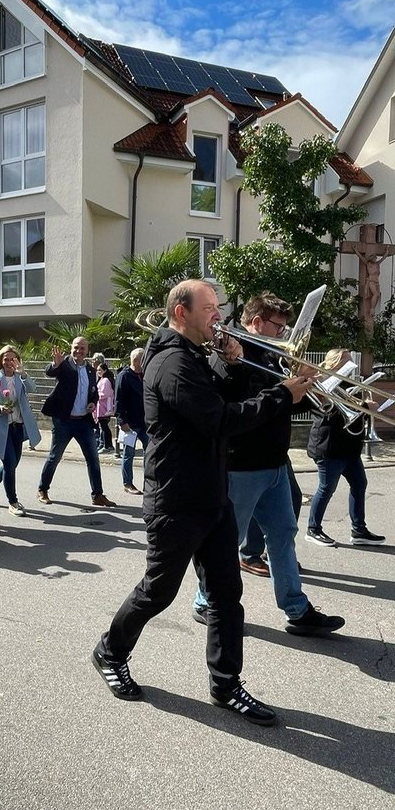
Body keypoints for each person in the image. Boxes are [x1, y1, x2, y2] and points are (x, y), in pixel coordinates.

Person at [92, 279, 316, 725]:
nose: (219, 316)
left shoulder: (195, 355)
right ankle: (109, 652)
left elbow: (227, 397)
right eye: (210, 308)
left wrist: (235, 366)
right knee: (158, 591)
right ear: (181, 313)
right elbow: (219, 420)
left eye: (219, 308)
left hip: (212, 495)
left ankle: (226, 684)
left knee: (227, 595)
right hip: (176, 498)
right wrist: (280, 394)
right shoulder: (172, 362)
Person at [192, 292, 345, 636]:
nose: (284, 334)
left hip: (275, 462)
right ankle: (204, 601)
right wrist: (282, 387)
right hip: (242, 465)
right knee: (227, 543)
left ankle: (296, 608)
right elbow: (239, 406)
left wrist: (305, 388)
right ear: (257, 321)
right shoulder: (227, 350)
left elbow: (283, 406)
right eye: (279, 326)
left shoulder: (273, 355)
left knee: (283, 537)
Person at [307, 348, 385, 547]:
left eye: (351, 363)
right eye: (347, 363)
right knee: (326, 488)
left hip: (349, 448)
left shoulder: (350, 385)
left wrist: (367, 409)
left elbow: (354, 417)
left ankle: (359, 530)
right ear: (334, 364)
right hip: (329, 447)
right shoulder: (323, 384)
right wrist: (365, 407)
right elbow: (330, 415)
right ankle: (313, 529)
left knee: (359, 484)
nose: (351, 367)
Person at [37, 337, 116, 507]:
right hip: (64, 421)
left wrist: (93, 403)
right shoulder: (64, 364)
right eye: (76, 347)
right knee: (54, 457)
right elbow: (50, 372)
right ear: (71, 348)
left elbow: (93, 392)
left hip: (83, 422)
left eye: (82, 348)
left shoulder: (90, 369)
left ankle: (98, 495)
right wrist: (56, 364)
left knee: (93, 459)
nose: (78, 351)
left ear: (87, 350)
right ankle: (43, 489)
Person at [0, 345, 41, 517]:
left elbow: (33, 389)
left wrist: (23, 373)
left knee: (13, 464)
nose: (9, 362)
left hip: (18, 426)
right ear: (1, 361)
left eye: (12, 359)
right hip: (2, 428)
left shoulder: (19, 378)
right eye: (5, 359)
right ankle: (13, 502)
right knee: (9, 464)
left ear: (17, 361)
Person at [115, 347, 149, 495]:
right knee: (129, 454)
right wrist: (122, 421)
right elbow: (118, 400)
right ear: (136, 360)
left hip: (145, 423)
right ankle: (128, 483)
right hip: (130, 424)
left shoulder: (144, 375)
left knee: (150, 454)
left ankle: (149, 483)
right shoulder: (124, 376)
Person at [94, 362, 115, 453]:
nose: (98, 371)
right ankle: (108, 445)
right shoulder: (102, 379)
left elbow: (105, 394)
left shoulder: (106, 380)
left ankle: (107, 446)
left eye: (100, 370)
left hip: (104, 406)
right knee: (103, 426)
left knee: (104, 426)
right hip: (102, 406)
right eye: (97, 370)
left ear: (105, 370)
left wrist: (95, 395)